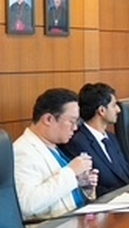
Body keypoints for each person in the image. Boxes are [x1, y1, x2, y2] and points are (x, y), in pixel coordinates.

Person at [13, 88, 97, 220]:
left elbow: (61, 191)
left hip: (77, 220)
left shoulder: (52, 147)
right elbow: (28, 204)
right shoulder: (22, 152)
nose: (75, 128)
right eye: (71, 121)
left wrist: (83, 186)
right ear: (48, 119)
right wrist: (71, 172)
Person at [61, 83, 129, 197]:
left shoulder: (111, 138)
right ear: (102, 110)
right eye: (114, 105)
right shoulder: (77, 142)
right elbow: (90, 188)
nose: (118, 110)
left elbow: (128, 172)